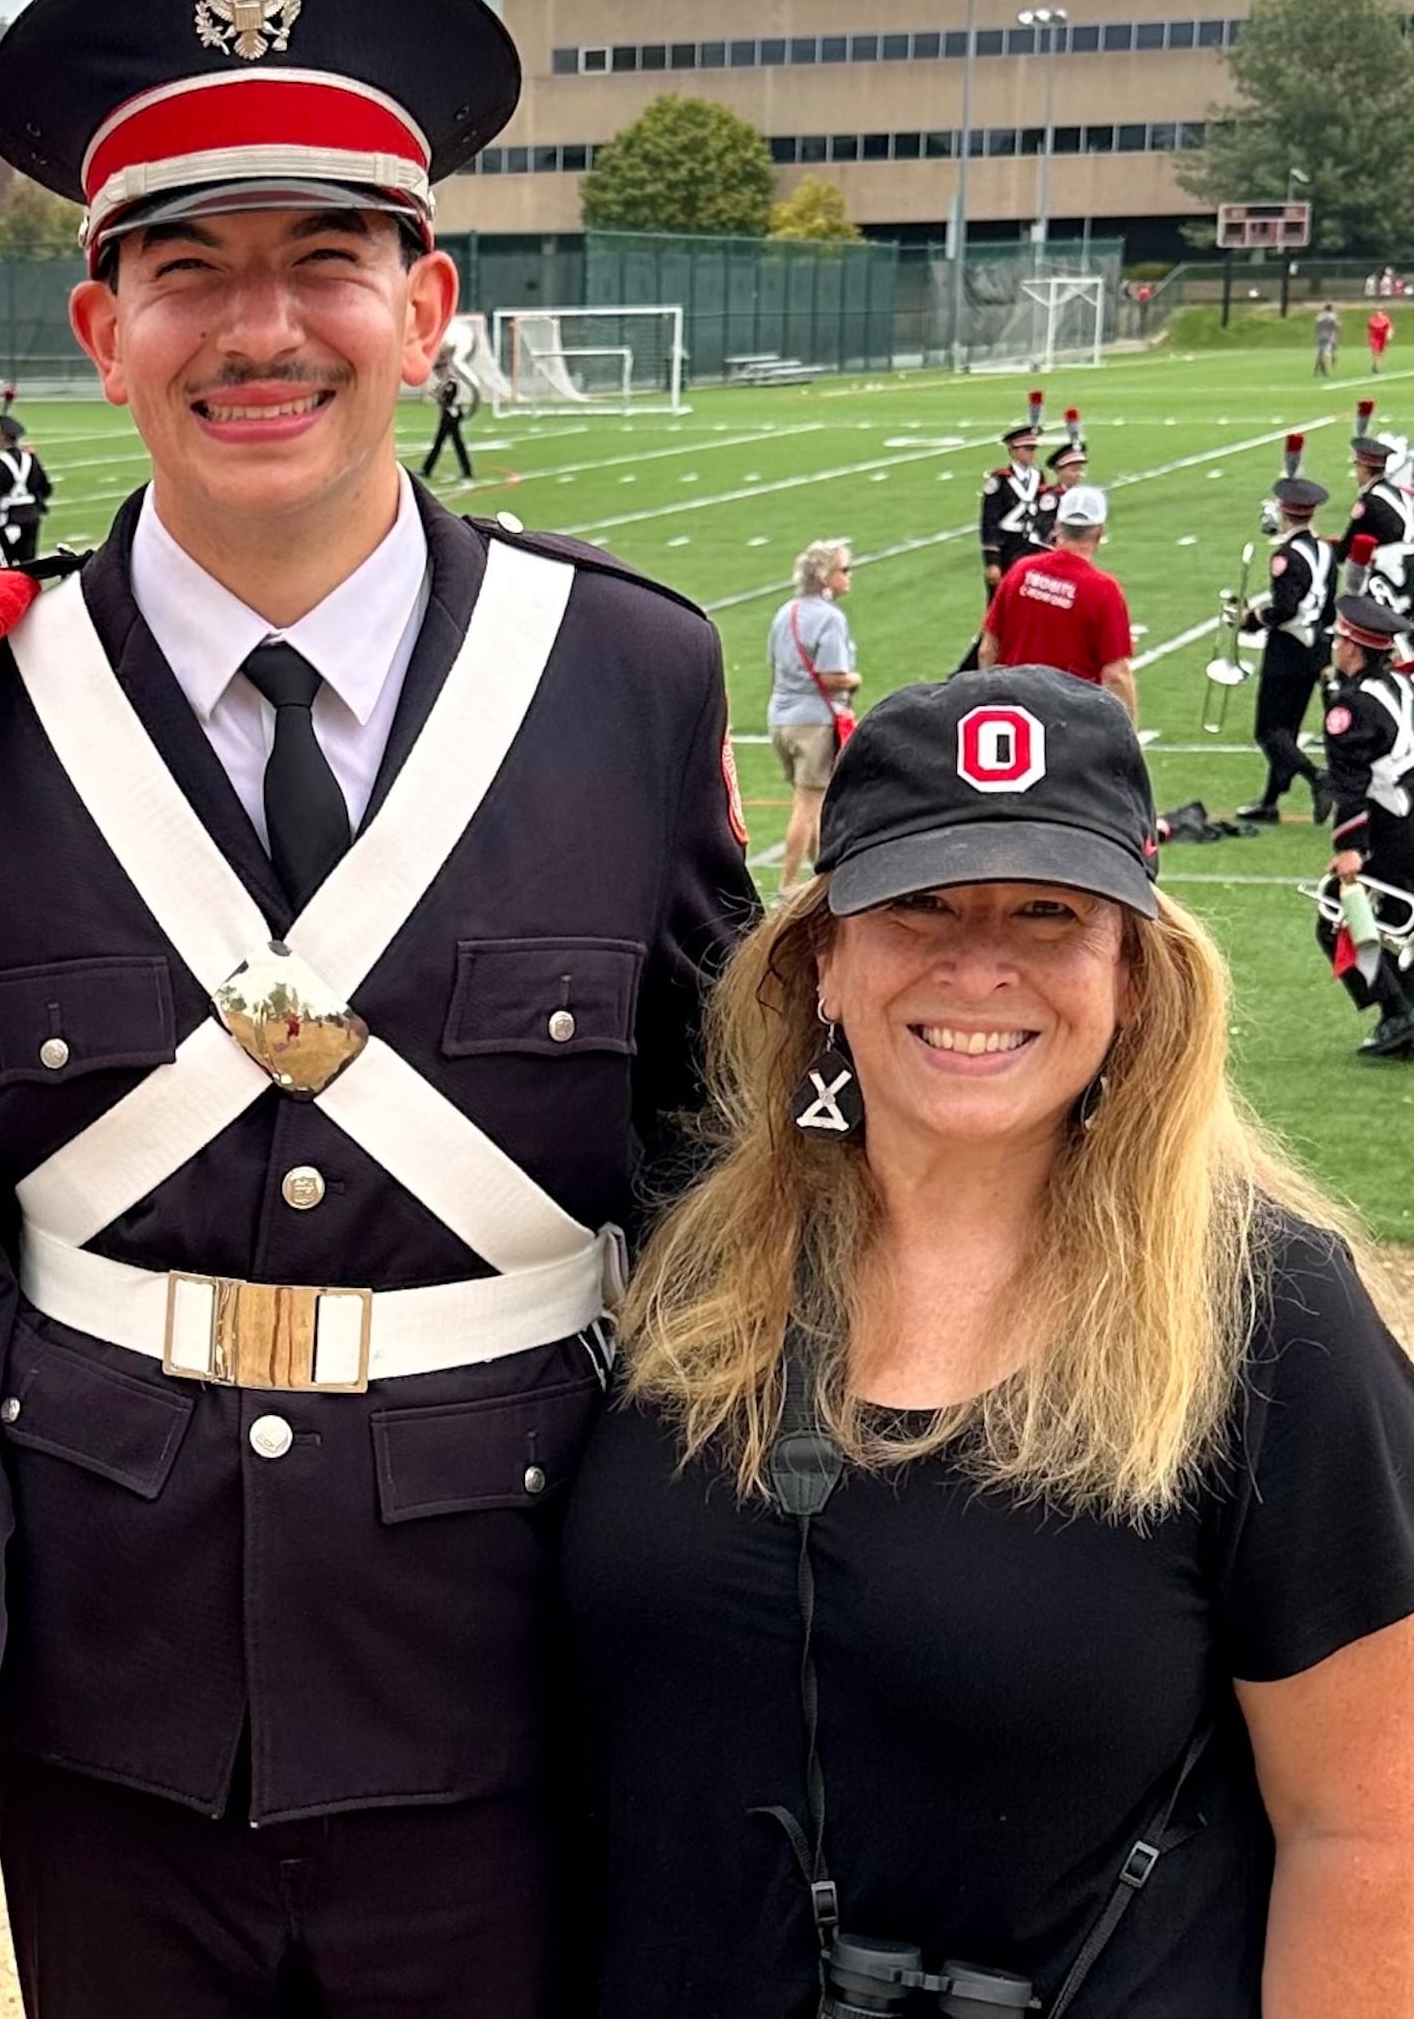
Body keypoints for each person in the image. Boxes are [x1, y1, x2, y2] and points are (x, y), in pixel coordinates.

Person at [0, 0, 754, 2019]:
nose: (259, 330)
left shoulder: (620, 674)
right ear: (101, 323)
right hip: (97, 1694)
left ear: (425, 307)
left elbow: (716, 1173)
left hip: (509, 1674)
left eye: (322, 259)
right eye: (188, 269)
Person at [566, 668, 1414, 2018]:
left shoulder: (1271, 1317)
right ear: (823, 957)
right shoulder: (691, 1256)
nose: (979, 966)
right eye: (919, 905)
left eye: (1049, 914)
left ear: (1134, 974)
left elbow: (1370, 1833)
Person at [1317, 593, 1414, 1059]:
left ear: (1353, 648)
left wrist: (1350, 846)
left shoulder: (1350, 708)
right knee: (1400, 920)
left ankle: (1396, 1012)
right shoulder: (1400, 686)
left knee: (1338, 917)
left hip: (1387, 826)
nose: (1335, 645)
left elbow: (1351, 783)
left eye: (1339, 639)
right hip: (1409, 811)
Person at [977, 482, 1137, 719]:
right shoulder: (1103, 589)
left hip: (1018, 712)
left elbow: (987, 649)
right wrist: (1129, 735)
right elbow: (1116, 674)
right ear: (1100, 531)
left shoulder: (1021, 570)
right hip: (1072, 719)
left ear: (1057, 526)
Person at [1238, 468, 1334, 824]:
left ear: (1285, 511)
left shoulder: (1285, 557)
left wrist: (1253, 618)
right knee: (1287, 729)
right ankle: (1269, 802)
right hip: (1316, 647)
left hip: (1288, 650)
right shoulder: (1324, 550)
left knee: (1268, 730)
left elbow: (1285, 609)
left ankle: (1317, 777)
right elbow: (1325, 606)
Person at [767, 540, 861, 898]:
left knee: (808, 800)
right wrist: (855, 680)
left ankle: (824, 876)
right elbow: (832, 676)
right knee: (808, 805)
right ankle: (787, 887)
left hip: (781, 717)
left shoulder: (784, 612)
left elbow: (774, 670)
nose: (849, 576)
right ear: (825, 577)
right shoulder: (830, 618)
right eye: (844, 570)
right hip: (814, 720)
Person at [1338, 423, 1414, 604]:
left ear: (1364, 468)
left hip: (1392, 568)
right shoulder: (1397, 492)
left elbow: (1348, 546)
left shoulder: (1369, 502)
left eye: (1357, 466)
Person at [978, 412, 1045, 594]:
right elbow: (989, 521)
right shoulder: (1000, 480)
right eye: (1027, 449)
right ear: (1013, 450)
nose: (1032, 454)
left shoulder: (1038, 477)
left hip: (1033, 548)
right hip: (1008, 548)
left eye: (1033, 449)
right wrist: (992, 561)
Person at [0, 410, 53, 564]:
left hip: (8, 517)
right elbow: (46, 487)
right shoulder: (31, 459)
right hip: (31, 515)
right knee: (29, 561)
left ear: (3, 437)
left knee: (7, 563)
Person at [421, 341, 477, 485]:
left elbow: (447, 399)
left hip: (451, 416)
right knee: (448, 444)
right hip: (448, 414)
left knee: (448, 444)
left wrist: (438, 396)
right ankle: (428, 469)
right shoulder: (446, 381)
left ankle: (429, 469)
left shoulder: (451, 381)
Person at [1314, 302, 1340, 375]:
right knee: (1327, 353)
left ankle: (1316, 369)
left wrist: (1316, 335)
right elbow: (1337, 326)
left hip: (1320, 336)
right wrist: (1337, 335)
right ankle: (1324, 368)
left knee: (1319, 352)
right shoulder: (1333, 316)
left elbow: (1316, 326)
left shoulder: (1320, 316)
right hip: (1329, 336)